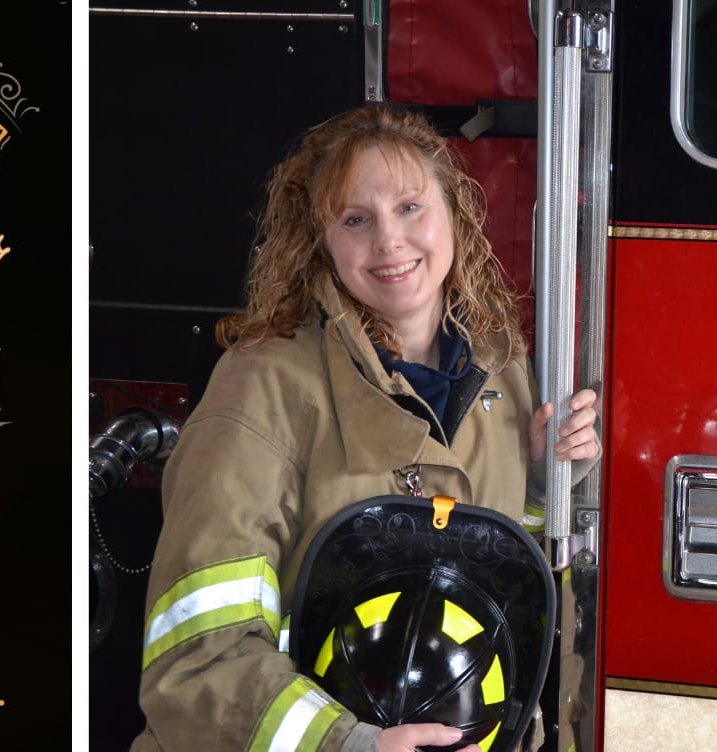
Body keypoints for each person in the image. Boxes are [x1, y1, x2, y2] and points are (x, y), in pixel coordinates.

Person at [131, 103, 600, 752]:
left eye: (410, 208)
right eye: (355, 220)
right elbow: (195, 660)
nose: (389, 242)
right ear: (318, 241)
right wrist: (348, 745)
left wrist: (543, 491)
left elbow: (491, 590)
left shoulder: (501, 364)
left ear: (454, 214)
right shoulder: (261, 385)